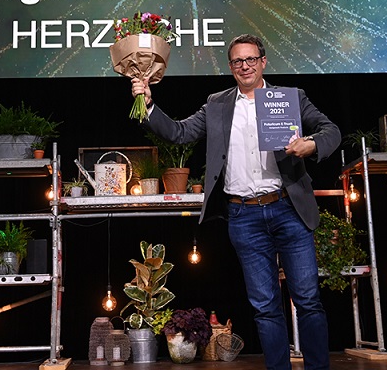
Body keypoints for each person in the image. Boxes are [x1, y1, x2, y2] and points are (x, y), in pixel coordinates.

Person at [131, 34, 340, 370]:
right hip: (244, 216)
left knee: (308, 300)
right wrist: (148, 104)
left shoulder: (290, 98)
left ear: (263, 62)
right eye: (238, 61)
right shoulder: (217, 104)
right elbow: (179, 133)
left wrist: (311, 144)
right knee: (265, 307)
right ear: (231, 67)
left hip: (288, 209)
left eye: (251, 59)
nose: (245, 66)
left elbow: (331, 131)